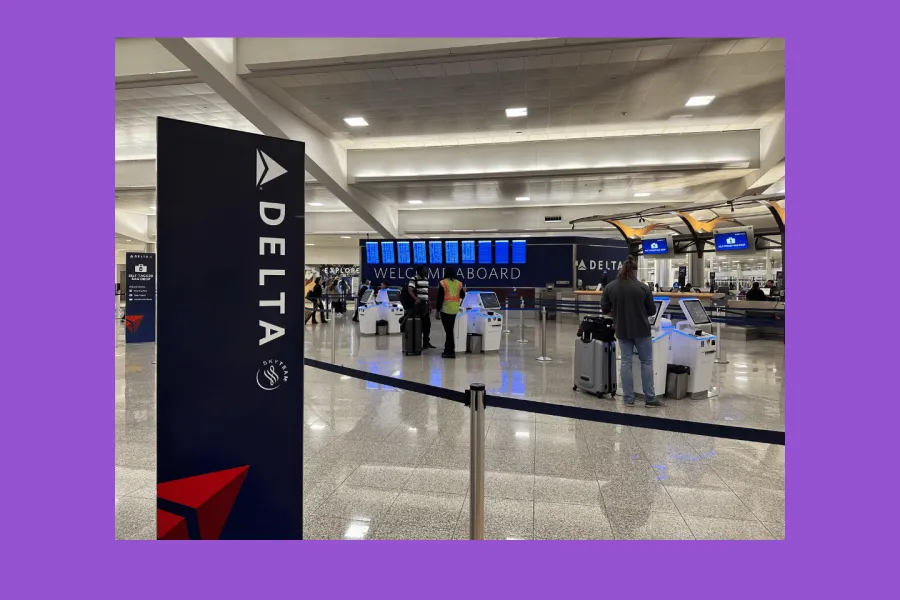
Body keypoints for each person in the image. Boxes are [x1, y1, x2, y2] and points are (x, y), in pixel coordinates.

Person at [600, 258, 664, 407]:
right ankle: (650, 399)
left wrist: (616, 315)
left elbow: (604, 309)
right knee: (646, 362)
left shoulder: (610, 287)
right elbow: (652, 310)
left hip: (622, 329)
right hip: (642, 330)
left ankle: (628, 399)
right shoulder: (643, 287)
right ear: (634, 271)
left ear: (621, 269)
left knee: (625, 362)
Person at [435, 268, 466, 358]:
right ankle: (447, 349)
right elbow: (462, 295)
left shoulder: (443, 283)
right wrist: (463, 290)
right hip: (454, 310)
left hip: (445, 310)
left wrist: (437, 311)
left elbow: (440, 298)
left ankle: (450, 352)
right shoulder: (458, 283)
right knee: (449, 330)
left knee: (448, 331)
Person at [407, 266, 435, 349]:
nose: (425, 272)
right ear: (419, 271)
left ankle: (426, 342)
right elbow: (410, 290)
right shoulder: (414, 278)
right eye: (424, 270)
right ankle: (416, 342)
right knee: (418, 324)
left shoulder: (426, 279)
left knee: (427, 324)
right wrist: (416, 298)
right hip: (418, 305)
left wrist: (429, 304)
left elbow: (426, 293)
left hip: (425, 304)